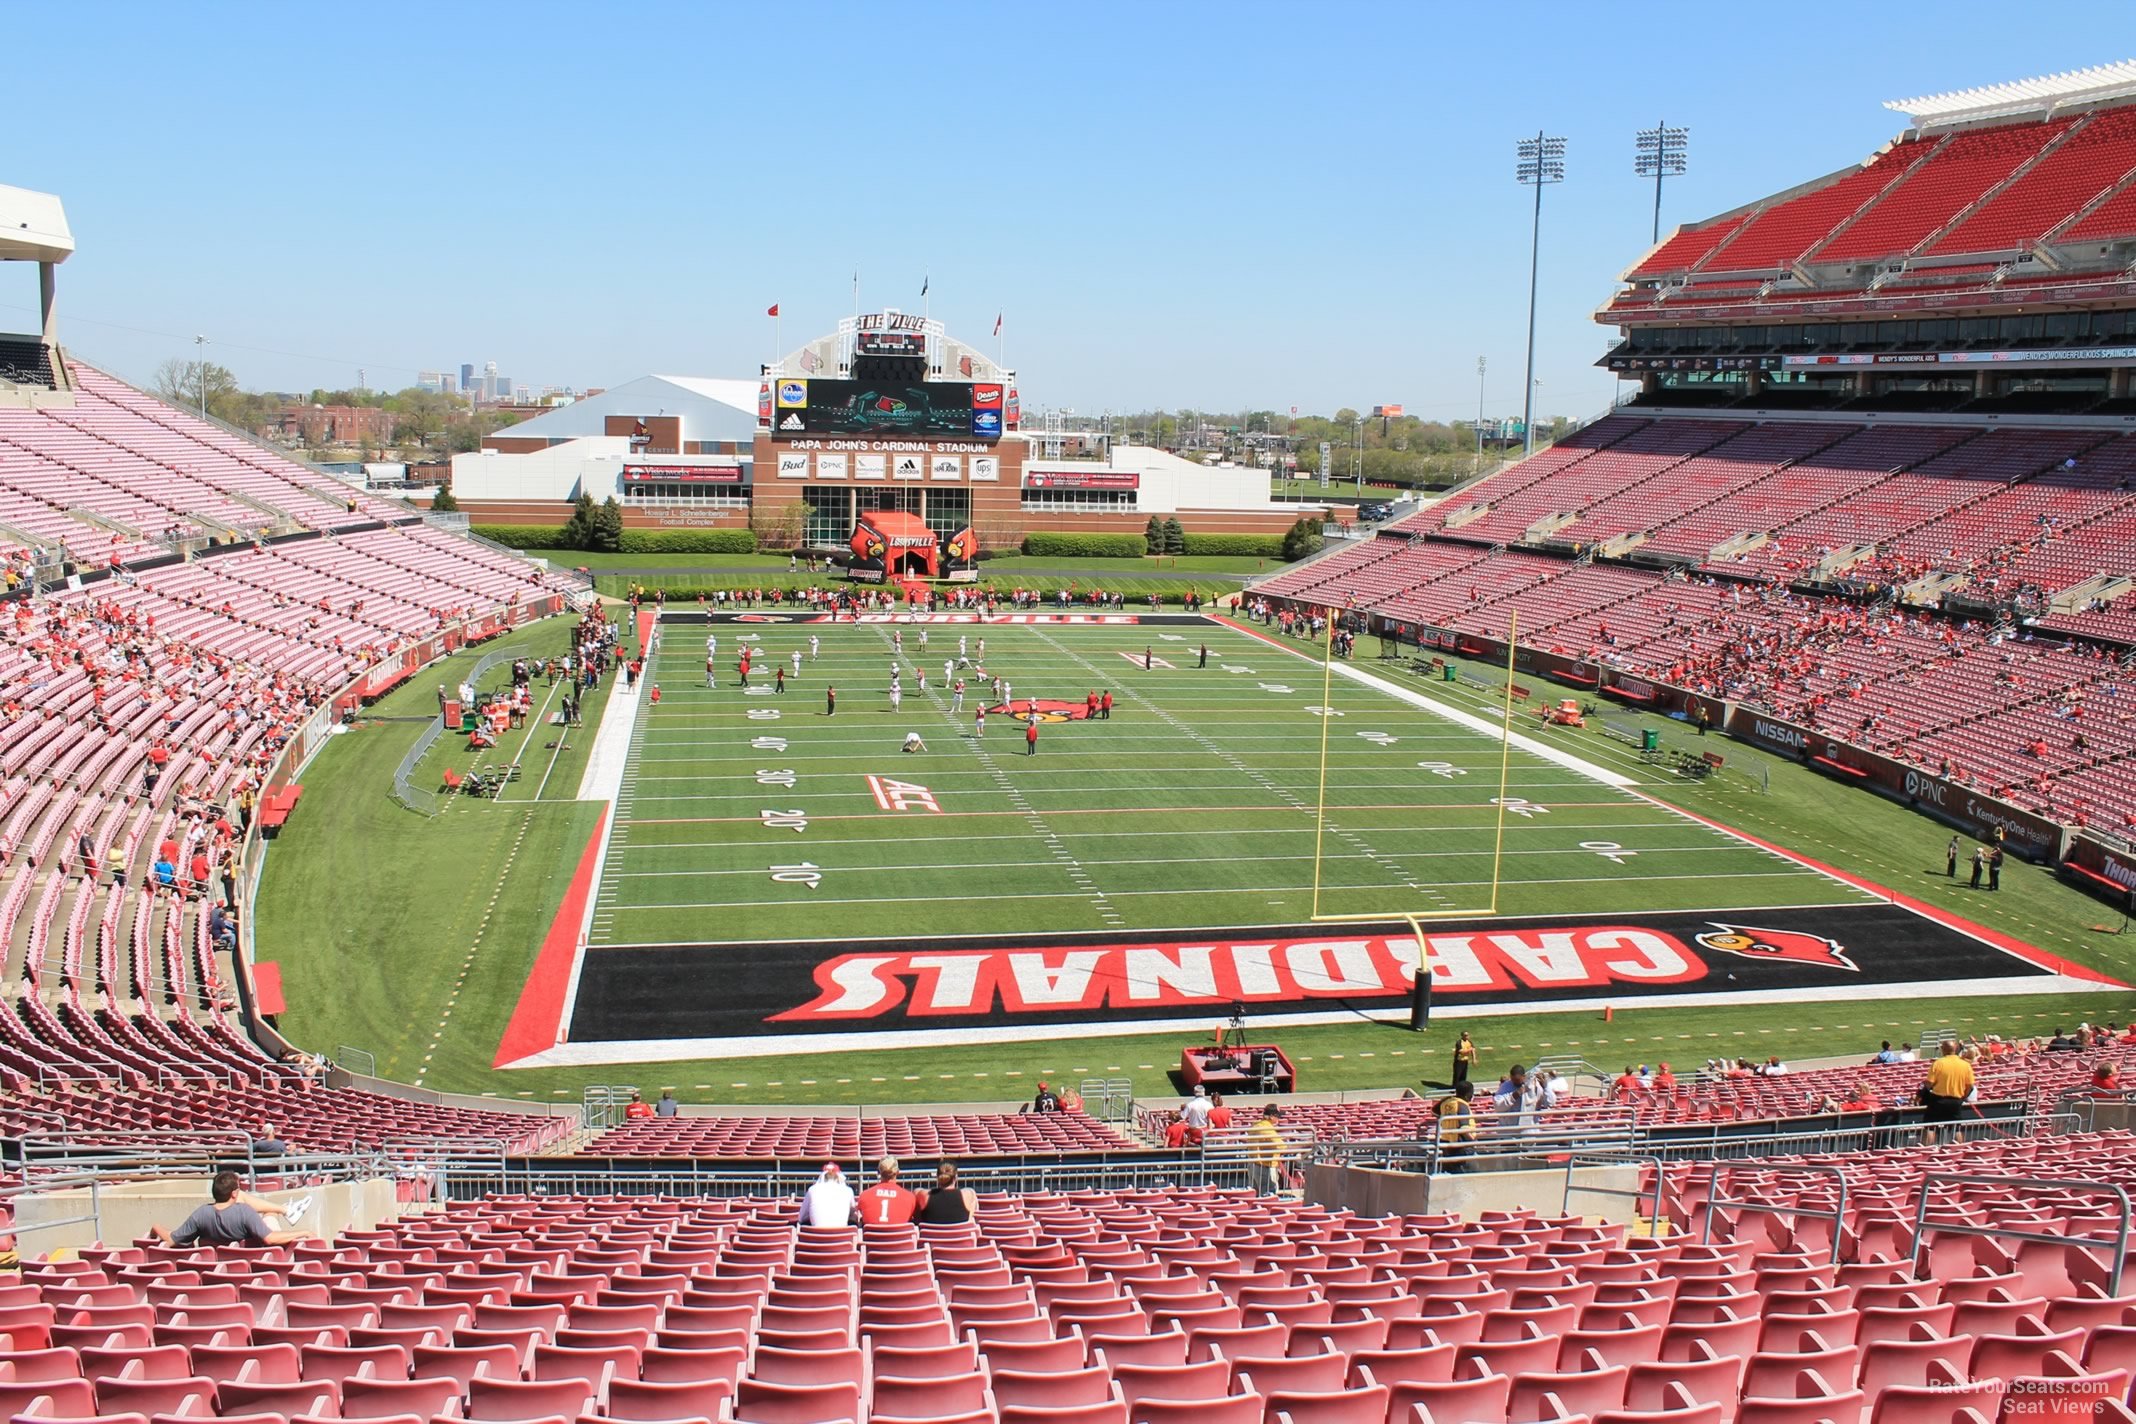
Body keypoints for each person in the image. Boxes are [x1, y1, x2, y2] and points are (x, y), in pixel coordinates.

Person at [151, 1171, 312, 1247]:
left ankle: (286, 1210)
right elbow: (269, 1239)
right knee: (270, 1213)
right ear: (234, 1193)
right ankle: (285, 1210)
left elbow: (172, 1239)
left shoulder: (201, 1214)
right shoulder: (244, 1211)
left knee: (271, 1212)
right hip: (255, 1264)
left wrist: (156, 1227)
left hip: (216, 1270)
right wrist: (303, 1232)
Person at [1921, 1038, 1974, 1144]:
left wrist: (1927, 1088)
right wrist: (1962, 1097)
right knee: (1956, 1128)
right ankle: (1960, 1148)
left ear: (1943, 1049)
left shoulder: (1938, 1063)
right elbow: (1970, 1086)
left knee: (1930, 1126)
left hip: (1938, 1099)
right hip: (1956, 1100)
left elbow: (1929, 1083)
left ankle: (1926, 1150)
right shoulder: (1965, 1065)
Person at [859, 1158, 919, 1226]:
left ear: (878, 1172)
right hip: (899, 1236)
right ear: (898, 1172)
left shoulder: (864, 1195)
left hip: (873, 1236)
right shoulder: (910, 1197)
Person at [917, 1160, 977, 1224]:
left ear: (937, 1177)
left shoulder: (923, 1195)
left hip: (931, 1234)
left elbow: (917, 1220)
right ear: (956, 1177)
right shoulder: (968, 1194)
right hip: (961, 1233)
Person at [799, 1162, 857, 1227]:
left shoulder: (812, 1190)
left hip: (816, 1235)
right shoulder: (848, 1190)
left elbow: (801, 1217)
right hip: (841, 1235)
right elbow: (853, 1211)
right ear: (838, 1176)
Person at [1435, 1083, 1476, 1173]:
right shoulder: (1462, 1106)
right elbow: (1464, 1128)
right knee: (1460, 1172)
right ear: (1467, 1095)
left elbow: (1434, 1111)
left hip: (1446, 1143)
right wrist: (1473, 1141)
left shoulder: (1446, 1103)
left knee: (1450, 1171)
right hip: (1460, 1145)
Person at [1246, 1104, 1285, 1196]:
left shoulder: (1256, 1125)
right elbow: (1281, 1146)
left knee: (1254, 1195)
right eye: (1277, 1116)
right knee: (1268, 1195)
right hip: (1264, 1166)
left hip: (1253, 1164)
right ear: (1271, 1116)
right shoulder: (1267, 1128)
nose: (1279, 1119)